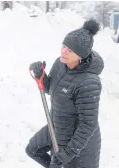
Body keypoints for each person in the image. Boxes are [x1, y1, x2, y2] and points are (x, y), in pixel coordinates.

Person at [25, 19, 104, 168]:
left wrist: (68, 153)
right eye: (64, 46)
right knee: (33, 150)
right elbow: (53, 90)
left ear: (80, 55)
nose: (63, 51)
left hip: (80, 144)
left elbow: (88, 124)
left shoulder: (89, 82)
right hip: (56, 126)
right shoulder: (60, 63)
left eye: (70, 50)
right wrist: (42, 76)